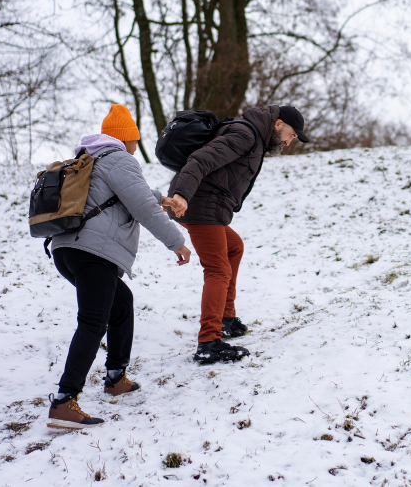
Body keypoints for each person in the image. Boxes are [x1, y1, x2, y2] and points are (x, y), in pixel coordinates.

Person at [47, 104, 192, 430]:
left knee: (120, 303)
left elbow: (125, 194)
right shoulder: (120, 159)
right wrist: (177, 242)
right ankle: (63, 401)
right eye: (134, 141)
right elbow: (141, 206)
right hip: (93, 253)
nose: (135, 147)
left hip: (67, 250)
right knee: (93, 322)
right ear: (127, 140)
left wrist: (159, 197)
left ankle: (115, 377)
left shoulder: (89, 160)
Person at [165, 105, 308, 364]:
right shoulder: (245, 134)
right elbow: (201, 159)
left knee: (234, 247)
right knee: (218, 270)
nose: (288, 142)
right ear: (278, 124)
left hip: (207, 206)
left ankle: (226, 319)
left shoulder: (253, 137)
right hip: (198, 205)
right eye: (291, 135)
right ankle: (209, 342)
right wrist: (182, 195)